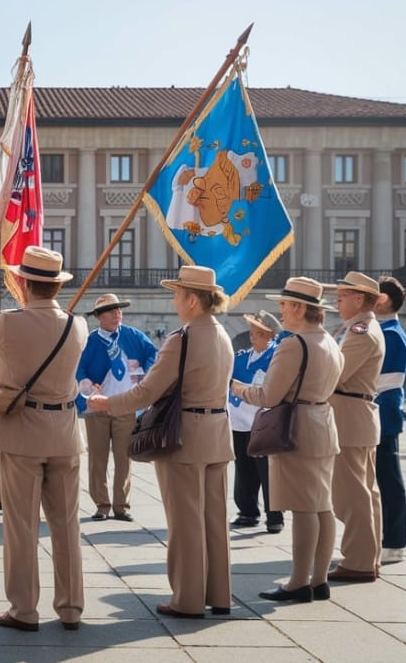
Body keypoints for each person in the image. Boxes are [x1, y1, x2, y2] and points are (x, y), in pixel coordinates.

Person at [88, 265, 234, 618]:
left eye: (177, 293)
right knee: (214, 519)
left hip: (185, 435)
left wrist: (109, 403)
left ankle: (187, 599)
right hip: (217, 432)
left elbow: (148, 390)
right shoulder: (223, 335)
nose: (174, 300)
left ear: (193, 300)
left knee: (185, 521)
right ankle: (219, 594)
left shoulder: (182, 338)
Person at [0, 246, 89, 631]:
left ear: (22, 283)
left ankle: (24, 609)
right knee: (67, 525)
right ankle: (70, 608)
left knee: (21, 525)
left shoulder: (10, 322)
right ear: (56, 286)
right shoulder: (77, 324)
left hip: (22, 432)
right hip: (66, 433)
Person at [232, 277, 343, 603]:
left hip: (297, 429)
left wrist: (236, 387)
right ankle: (319, 579)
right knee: (322, 506)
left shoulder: (294, 344)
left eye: (283, 304)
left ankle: (298, 581)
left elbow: (269, 394)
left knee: (304, 508)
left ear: (298, 308)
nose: (280, 310)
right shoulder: (329, 341)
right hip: (323, 423)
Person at [326, 271, 386, 584]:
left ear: (359, 299)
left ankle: (359, 561)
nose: (337, 302)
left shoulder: (361, 331)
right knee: (365, 492)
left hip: (349, 415)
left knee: (351, 495)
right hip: (355, 414)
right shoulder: (360, 328)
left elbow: (337, 373)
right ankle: (367, 558)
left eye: (342, 297)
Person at [75, 293, 157, 522]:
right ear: (99, 317)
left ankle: (121, 505)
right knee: (97, 459)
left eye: (119, 310)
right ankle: (102, 505)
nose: (116, 314)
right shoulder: (90, 341)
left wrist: (143, 372)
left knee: (124, 457)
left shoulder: (133, 336)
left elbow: (153, 355)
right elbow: (78, 369)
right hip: (97, 408)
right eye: (111, 311)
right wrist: (88, 386)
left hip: (125, 406)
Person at [228, 310, 285, 534]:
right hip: (239, 420)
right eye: (252, 332)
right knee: (244, 467)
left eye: (259, 333)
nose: (253, 337)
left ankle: (275, 516)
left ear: (271, 335)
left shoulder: (276, 357)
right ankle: (248, 511)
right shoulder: (241, 356)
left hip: (263, 421)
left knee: (268, 470)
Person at [375, 276, 406, 564]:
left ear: (383, 299)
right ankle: (386, 539)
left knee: (387, 480)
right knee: (382, 479)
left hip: (381, 412)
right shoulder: (386, 331)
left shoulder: (389, 334)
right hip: (380, 411)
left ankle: (394, 541)